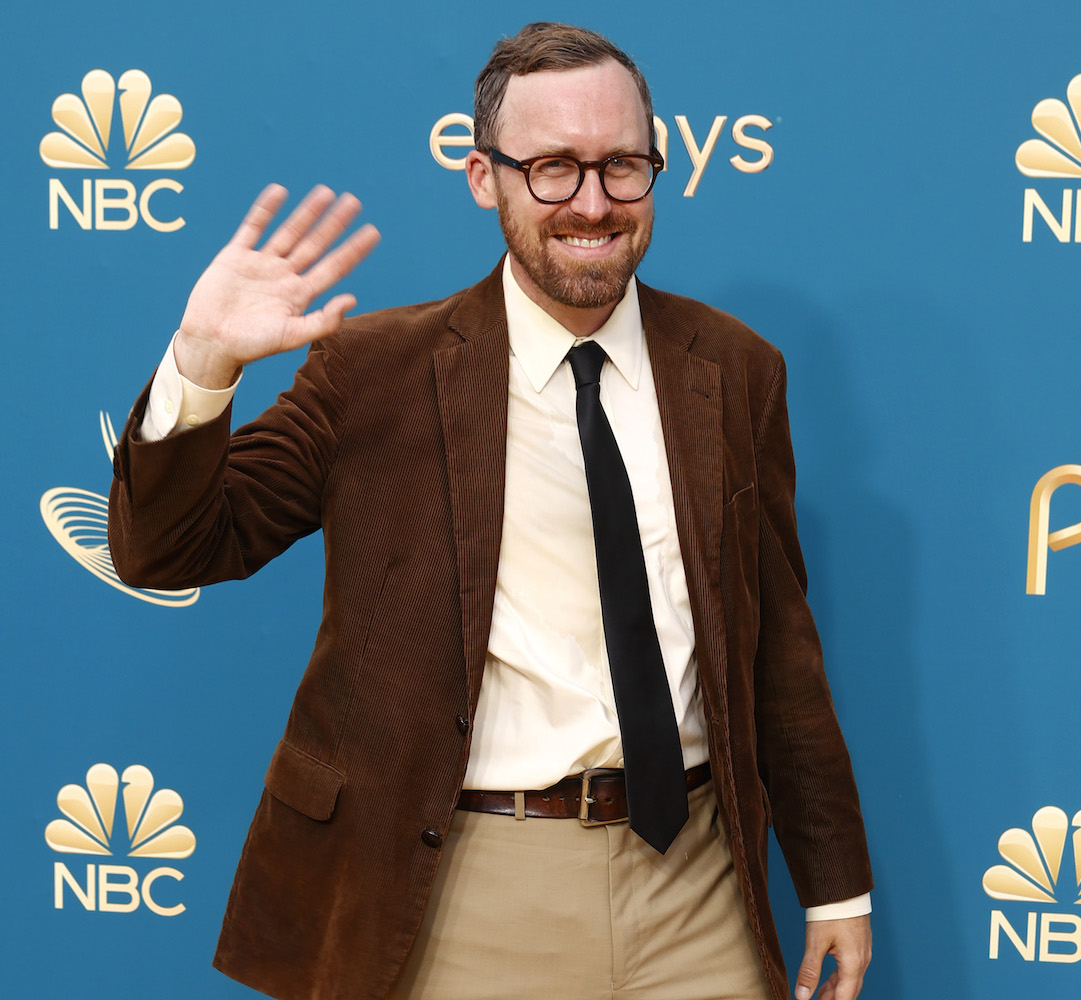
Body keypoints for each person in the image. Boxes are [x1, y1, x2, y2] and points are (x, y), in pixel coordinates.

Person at [109, 22, 873, 1000]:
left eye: (621, 166)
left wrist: (836, 885)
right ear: (485, 177)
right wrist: (203, 361)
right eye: (553, 168)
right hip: (463, 883)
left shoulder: (734, 369)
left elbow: (780, 652)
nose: (591, 202)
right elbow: (167, 547)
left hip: (694, 886)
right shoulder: (375, 371)